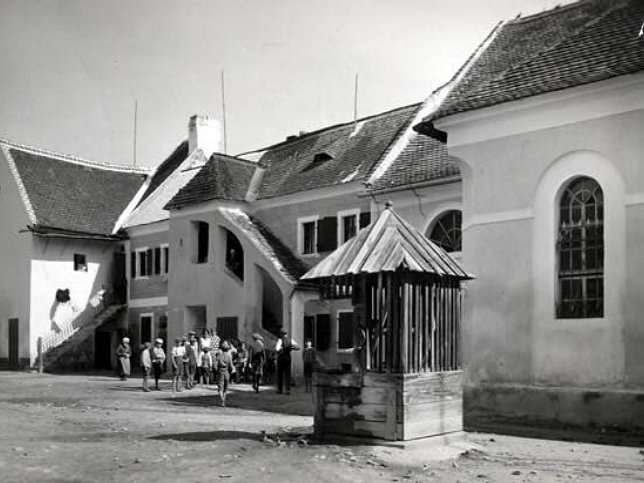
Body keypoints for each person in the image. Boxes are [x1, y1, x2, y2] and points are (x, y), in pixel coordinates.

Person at [275, 329, 299, 395]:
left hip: (281, 357)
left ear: (282, 334)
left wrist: (282, 349)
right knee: (287, 374)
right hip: (288, 357)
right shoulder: (290, 340)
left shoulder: (280, 340)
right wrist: (291, 348)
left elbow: (277, 349)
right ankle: (287, 390)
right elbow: (298, 347)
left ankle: (280, 389)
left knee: (280, 374)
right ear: (286, 334)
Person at [215, 341, 234, 406]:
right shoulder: (229, 356)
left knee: (220, 388)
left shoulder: (219, 356)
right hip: (227, 373)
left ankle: (222, 400)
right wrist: (230, 371)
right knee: (225, 389)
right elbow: (231, 366)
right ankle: (224, 400)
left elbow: (215, 365)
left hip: (220, 372)